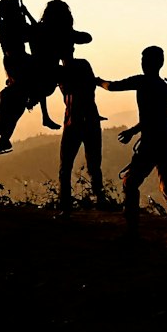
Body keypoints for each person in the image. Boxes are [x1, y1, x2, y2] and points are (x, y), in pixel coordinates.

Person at [0, 0, 91, 159]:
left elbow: (85, 38)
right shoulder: (50, 32)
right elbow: (20, 33)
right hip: (38, 79)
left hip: (41, 80)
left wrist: (25, 19)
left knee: (7, 101)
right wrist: (21, 15)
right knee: (0, 101)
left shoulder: (49, 32)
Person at [97, 45, 167, 241]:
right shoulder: (161, 86)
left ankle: (132, 231)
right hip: (165, 137)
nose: (141, 62)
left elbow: (113, 86)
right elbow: (156, 116)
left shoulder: (143, 81)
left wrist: (97, 81)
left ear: (148, 62)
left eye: (144, 59)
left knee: (130, 183)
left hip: (152, 140)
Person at [56, 49, 107, 214]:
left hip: (74, 122)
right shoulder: (81, 65)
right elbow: (90, 87)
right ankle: (100, 200)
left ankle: (66, 206)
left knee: (67, 167)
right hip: (88, 120)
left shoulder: (60, 71)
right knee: (93, 165)